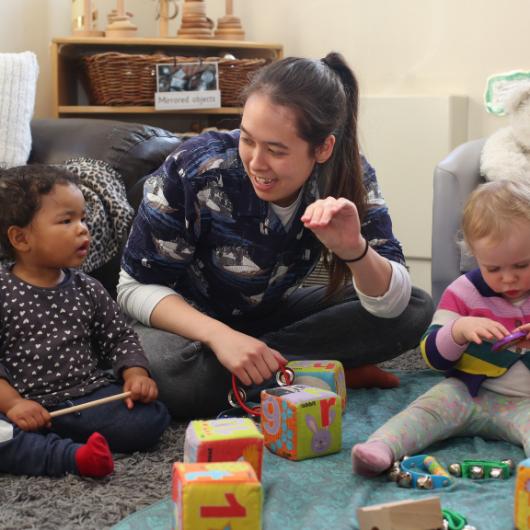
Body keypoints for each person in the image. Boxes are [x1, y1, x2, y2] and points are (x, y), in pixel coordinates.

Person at [118, 52, 433, 418]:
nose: (256, 162)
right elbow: (132, 287)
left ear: (323, 148)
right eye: (248, 140)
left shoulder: (348, 175)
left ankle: (264, 369)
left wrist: (354, 250)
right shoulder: (194, 166)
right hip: (184, 324)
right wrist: (221, 337)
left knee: (415, 306)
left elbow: (392, 305)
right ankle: (316, 372)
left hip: (268, 314)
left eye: (276, 150)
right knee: (171, 378)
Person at [0, 165, 170, 478]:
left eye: (83, 218)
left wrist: (135, 373)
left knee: (152, 417)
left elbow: (119, 337)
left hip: (85, 401)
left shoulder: (87, 287)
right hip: (20, 403)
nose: (83, 229)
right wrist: (13, 405)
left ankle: (48, 444)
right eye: (67, 220)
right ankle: (71, 457)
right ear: (21, 238)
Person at [352, 179, 530, 476]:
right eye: (494, 269)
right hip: (468, 391)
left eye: (522, 266)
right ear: (473, 254)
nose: (508, 279)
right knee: (427, 409)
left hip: (525, 402)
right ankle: (381, 447)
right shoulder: (463, 292)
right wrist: (458, 330)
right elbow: (432, 356)